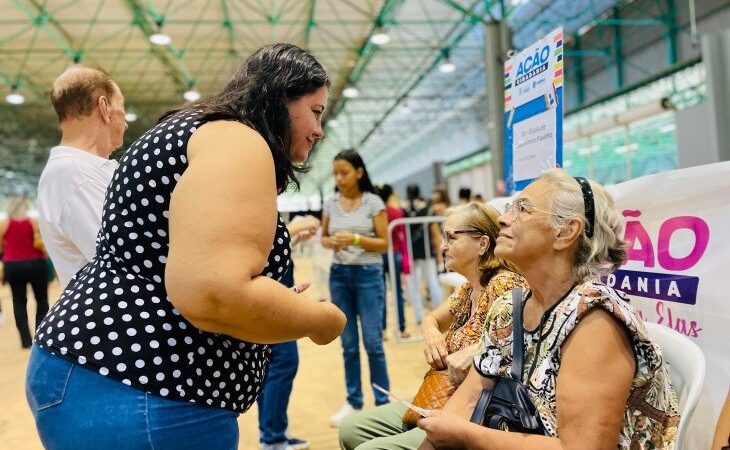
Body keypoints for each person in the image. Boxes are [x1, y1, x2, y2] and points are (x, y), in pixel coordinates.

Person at [26, 44, 346, 450]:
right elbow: (215, 293)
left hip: (105, 374)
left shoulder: (199, 132)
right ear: (282, 95)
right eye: (315, 112)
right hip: (141, 386)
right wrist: (318, 321)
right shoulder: (237, 140)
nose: (319, 129)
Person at [416, 169, 679, 450]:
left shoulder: (595, 320)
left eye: (523, 209)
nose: (503, 218)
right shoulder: (508, 308)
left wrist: (466, 434)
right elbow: (467, 399)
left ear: (566, 232)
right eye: (510, 208)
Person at [339, 202, 527, 450]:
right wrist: (431, 334)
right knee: (350, 430)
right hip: (443, 394)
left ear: (482, 244)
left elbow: (522, 339)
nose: (442, 246)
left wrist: (477, 351)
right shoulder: (469, 287)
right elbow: (432, 318)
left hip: (478, 406)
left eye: (451, 237)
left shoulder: (504, 284)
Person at [37, 65, 127, 289]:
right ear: (104, 107)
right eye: (122, 106)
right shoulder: (74, 174)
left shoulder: (84, 169)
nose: (126, 121)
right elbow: (124, 258)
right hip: (114, 316)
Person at [322, 149, 390, 428]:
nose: (339, 178)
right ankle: (354, 400)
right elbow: (324, 238)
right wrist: (334, 243)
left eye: (344, 172)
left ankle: (383, 402)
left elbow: (384, 243)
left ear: (359, 173)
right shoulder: (330, 203)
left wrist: (357, 240)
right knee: (348, 344)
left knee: (373, 343)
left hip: (368, 276)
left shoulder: (373, 202)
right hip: (339, 275)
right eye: (335, 173)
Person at [257, 215, 321, 450]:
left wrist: (290, 237)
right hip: (273, 296)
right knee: (284, 362)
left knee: (270, 366)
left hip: (278, 290)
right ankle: (272, 436)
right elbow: (261, 241)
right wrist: (293, 229)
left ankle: (274, 431)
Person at [0, 197, 49, 348]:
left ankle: (26, 342)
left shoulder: (4, 224)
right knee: (41, 301)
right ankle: (41, 337)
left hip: (13, 266)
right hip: (36, 264)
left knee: (19, 302)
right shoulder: (34, 222)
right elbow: (42, 242)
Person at [374, 183, 409, 339]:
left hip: (380, 254)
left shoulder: (375, 212)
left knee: (380, 293)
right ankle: (401, 329)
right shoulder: (396, 212)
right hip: (395, 253)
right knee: (397, 292)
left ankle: (382, 330)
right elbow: (401, 236)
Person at [405, 183, 442, 321]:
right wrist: (439, 252)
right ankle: (438, 313)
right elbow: (435, 233)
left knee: (414, 285)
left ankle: (419, 316)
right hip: (427, 252)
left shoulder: (405, 211)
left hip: (411, 252)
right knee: (432, 281)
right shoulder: (427, 209)